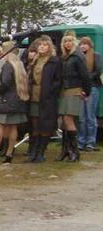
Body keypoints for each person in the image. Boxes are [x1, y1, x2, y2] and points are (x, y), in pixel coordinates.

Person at [0, 41, 29, 164]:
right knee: (13, 127)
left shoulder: (8, 65)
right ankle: (9, 154)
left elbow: (6, 82)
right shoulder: (19, 65)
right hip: (18, 100)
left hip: (7, 101)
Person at [26, 36, 62, 163]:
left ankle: (41, 152)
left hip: (47, 97)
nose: (42, 47)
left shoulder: (54, 61)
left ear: (49, 47)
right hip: (34, 96)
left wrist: (51, 91)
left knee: (45, 125)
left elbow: (58, 80)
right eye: (40, 45)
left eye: (45, 45)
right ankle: (33, 152)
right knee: (34, 124)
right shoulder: (35, 61)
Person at [56, 33, 91, 162]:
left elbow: (85, 76)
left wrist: (86, 92)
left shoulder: (77, 57)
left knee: (68, 119)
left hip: (74, 90)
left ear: (74, 42)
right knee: (64, 121)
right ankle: (66, 150)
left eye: (70, 41)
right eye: (65, 41)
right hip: (64, 91)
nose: (68, 43)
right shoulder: (65, 57)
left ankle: (75, 151)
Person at [77, 37, 101, 151]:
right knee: (81, 117)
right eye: (81, 44)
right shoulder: (78, 56)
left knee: (90, 116)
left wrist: (86, 79)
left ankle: (90, 142)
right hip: (80, 89)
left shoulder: (96, 56)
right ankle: (80, 141)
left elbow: (98, 71)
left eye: (85, 44)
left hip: (92, 88)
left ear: (90, 45)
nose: (83, 46)